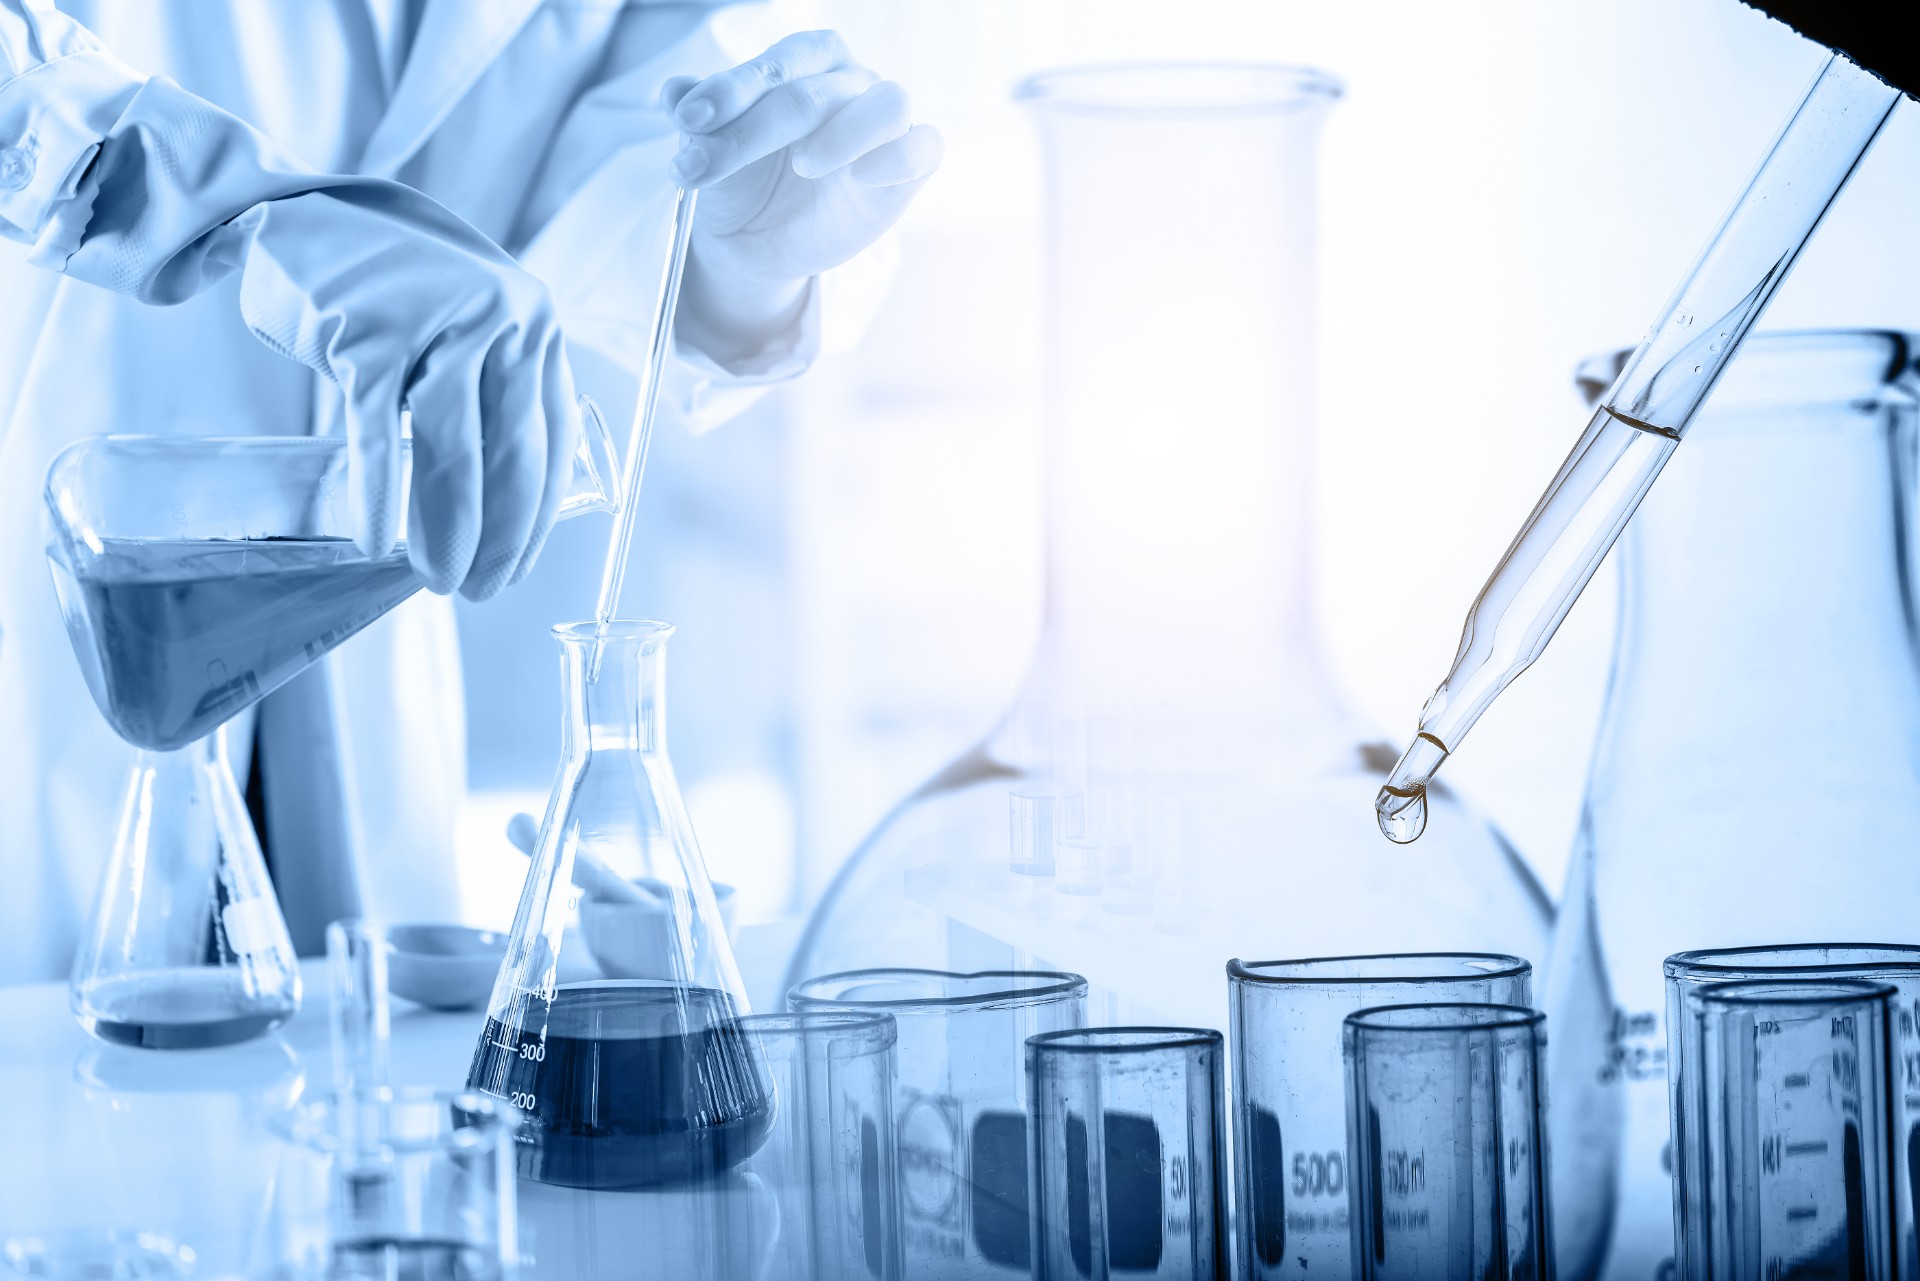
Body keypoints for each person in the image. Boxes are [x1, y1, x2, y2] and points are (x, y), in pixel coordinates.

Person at [0, 0, 940, 976]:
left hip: (351, 655)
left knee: (341, 1069)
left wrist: (740, 249)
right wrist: (224, 199)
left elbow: (646, 138)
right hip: (58, 576)